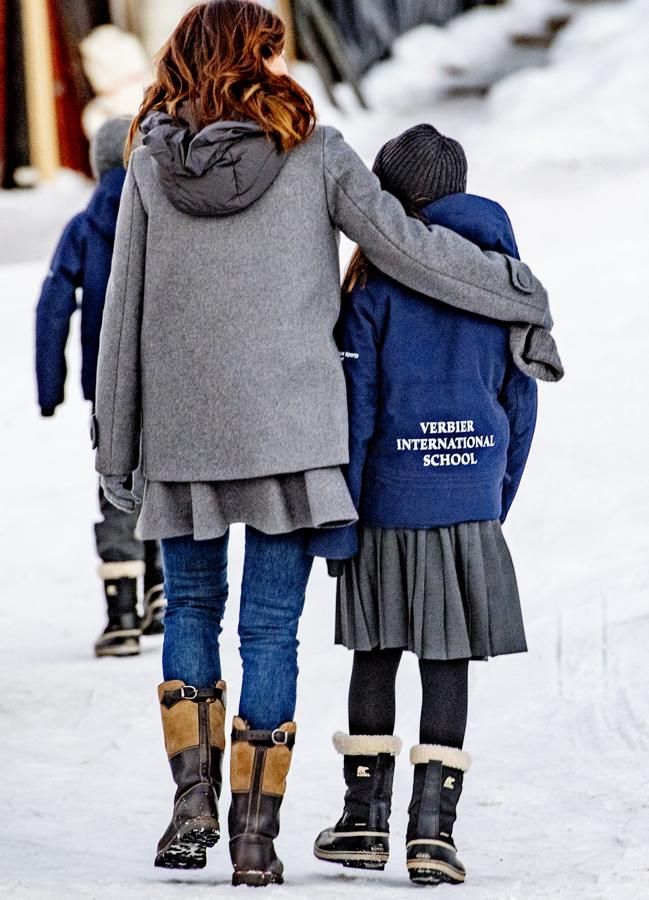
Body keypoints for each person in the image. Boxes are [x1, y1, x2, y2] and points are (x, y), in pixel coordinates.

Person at [92, 1, 558, 887]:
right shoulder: (314, 149)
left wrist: (115, 446)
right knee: (270, 630)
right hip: (291, 432)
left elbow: (124, 313)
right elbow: (406, 247)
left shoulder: (149, 161)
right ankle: (256, 841)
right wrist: (514, 290)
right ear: (260, 57)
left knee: (191, 612)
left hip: (185, 433)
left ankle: (192, 803)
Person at [309, 125, 543, 886]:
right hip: (467, 500)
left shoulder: (375, 288)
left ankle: (362, 821)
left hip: (386, 501)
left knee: (374, 653)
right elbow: (521, 405)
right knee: (447, 662)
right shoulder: (503, 281)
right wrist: (488, 499)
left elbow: (358, 407)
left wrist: (341, 513)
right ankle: (431, 834)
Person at [35, 118, 165, 658]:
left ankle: (121, 615)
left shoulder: (83, 227)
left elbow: (52, 309)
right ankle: (162, 590)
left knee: (117, 484)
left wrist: (51, 388)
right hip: (166, 378)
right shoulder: (164, 214)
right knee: (162, 475)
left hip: (107, 385)